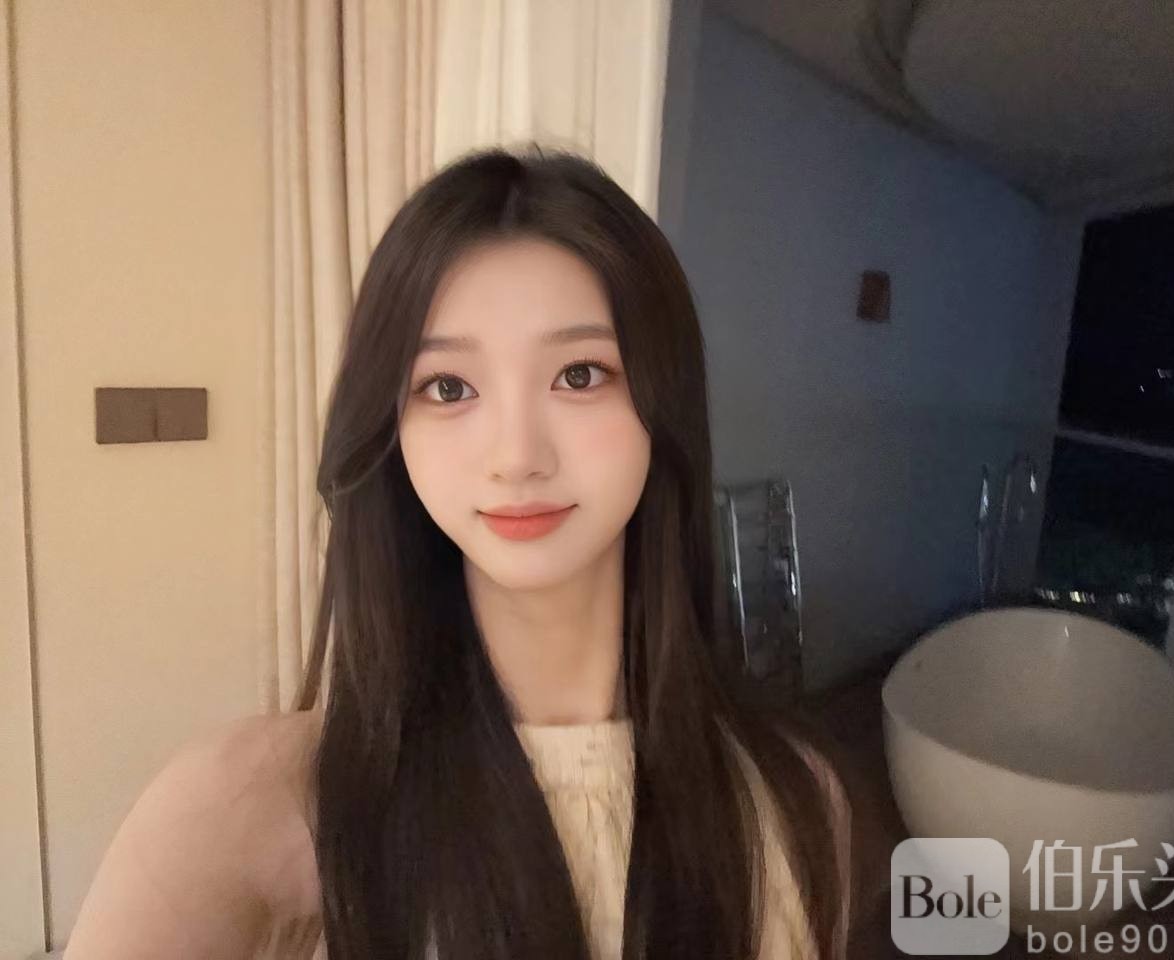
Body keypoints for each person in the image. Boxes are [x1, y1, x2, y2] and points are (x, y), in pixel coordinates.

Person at [62, 145, 857, 960]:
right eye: (448, 387)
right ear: (389, 427)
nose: (516, 457)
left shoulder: (795, 799)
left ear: (664, 402)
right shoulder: (250, 806)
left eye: (581, 375)